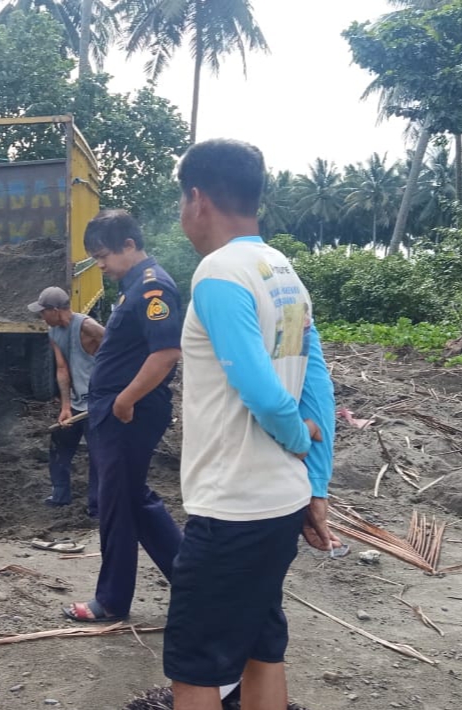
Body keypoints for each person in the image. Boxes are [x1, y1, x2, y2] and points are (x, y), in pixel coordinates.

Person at [163, 139, 340, 710]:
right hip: (278, 505)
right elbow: (317, 386)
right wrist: (313, 482)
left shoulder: (219, 273)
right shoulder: (282, 271)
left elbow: (265, 394)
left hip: (232, 507)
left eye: (180, 202)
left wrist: (295, 437)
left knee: (195, 669)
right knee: (263, 647)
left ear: (197, 199)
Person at [62, 209, 184, 622]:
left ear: (129, 246)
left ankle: (111, 601)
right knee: (132, 499)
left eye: (103, 256)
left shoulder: (154, 290)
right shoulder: (131, 287)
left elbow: (166, 352)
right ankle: (194, 581)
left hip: (129, 414)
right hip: (115, 412)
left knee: (117, 503)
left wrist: (124, 400)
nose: (101, 266)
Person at [27, 286, 104, 516]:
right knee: (59, 445)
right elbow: (62, 369)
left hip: (99, 405)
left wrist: (113, 392)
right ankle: (60, 495)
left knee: (99, 455)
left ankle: (97, 507)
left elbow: (118, 351)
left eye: (43, 312)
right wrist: (65, 407)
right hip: (77, 403)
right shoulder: (53, 333)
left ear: (56, 310)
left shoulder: (88, 326)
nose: (41, 316)